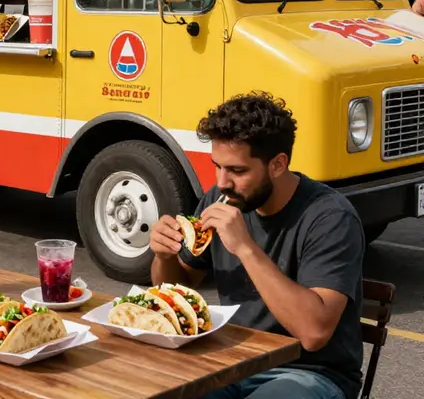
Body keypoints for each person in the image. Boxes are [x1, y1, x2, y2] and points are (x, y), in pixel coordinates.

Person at [150, 93, 364, 399]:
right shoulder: (220, 197)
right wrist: (163, 255)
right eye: (217, 166)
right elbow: (178, 286)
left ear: (277, 164)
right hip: (232, 362)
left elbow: (314, 334)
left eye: (237, 171)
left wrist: (246, 248)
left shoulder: (330, 217)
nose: (222, 182)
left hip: (309, 373)